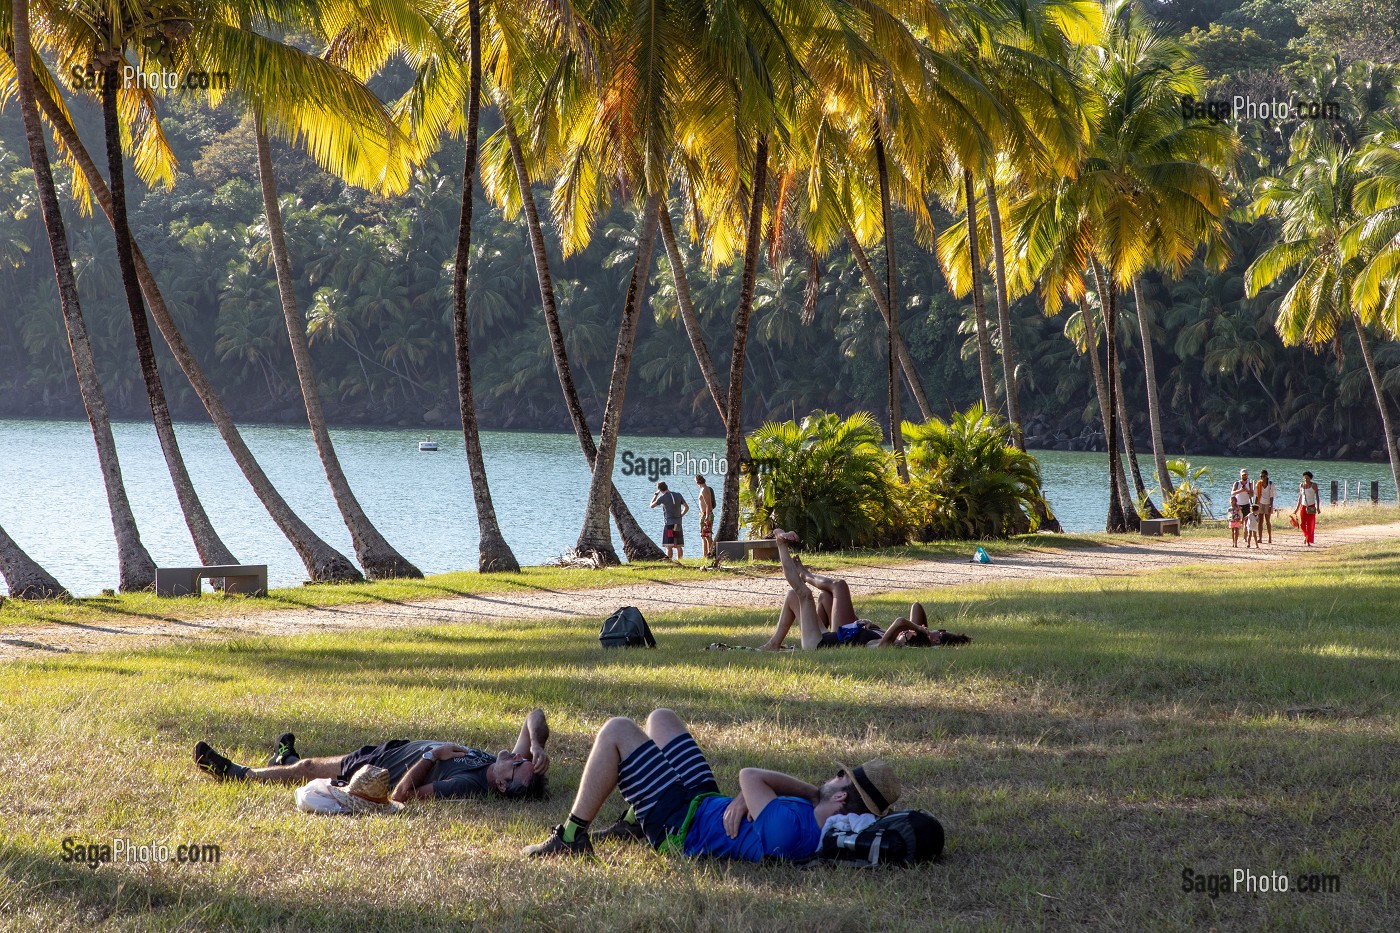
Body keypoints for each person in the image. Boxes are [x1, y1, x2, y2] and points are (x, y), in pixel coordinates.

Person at [521, 707, 900, 861]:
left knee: (618, 730)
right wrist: (744, 800)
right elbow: (754, 790)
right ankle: (635, 821)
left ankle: (571, 838)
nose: (831, 776)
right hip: (704, 802)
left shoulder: (793, 826)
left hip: (679, 824)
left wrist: (798, 792)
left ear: (842, 796)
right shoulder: (811, 821)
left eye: (839, 778)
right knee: (661, 718)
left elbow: (751, 776)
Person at [193, 709, 551, 803]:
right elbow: (535, 716)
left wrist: (431, 754)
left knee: (309, 768)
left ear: (503, 786)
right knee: (304, 766)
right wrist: (536, 746)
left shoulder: (469, 785)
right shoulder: (500, 765)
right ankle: (283, 759)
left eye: (518, 765)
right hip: (395, 749)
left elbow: (402, 796)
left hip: (380, 769)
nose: (518, 759)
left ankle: (239, 775)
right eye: (522, 759)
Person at [761, 529, 969, 650]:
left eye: (938, 631)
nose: (935, 629)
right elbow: (913, 611)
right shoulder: (890, 635)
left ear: (936, 639)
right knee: (792, 597)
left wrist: (919, 629)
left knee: (803, 593)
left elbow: (899, 622)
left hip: (818, 643)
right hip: (826, 634)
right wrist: (867, 625)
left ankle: (781, 544)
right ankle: (773, 644)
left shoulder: (892, 646)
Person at [650, 481, 690, 561]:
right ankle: (680, 561)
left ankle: (670, 561)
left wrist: (655, 495)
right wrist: (681, 514)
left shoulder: (663, 497)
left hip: (669, 524)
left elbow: (651, 505)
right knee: (678, 545)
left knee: (669, 545)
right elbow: (687, 507)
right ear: (667, 486)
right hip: (678, 523)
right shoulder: (678, 495)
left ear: (659, 489)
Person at [1296, 471, 1321, 546]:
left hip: (1311, 506)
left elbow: (1317, 496)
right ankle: (1306, 536)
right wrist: (1296, 508)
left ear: (1310, 478)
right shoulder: (1301, 485)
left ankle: (1308, 540)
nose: (1306, 479)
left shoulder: (1314, 485)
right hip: (1303, 506)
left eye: (1307, 478)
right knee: (1302, 524)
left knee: (1310, 524)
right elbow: (1300, 497)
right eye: (1305, 478)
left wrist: (1318, 507)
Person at [1229, 470, 1253, 548]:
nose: (1244, 476)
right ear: (1240, 475)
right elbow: (1232, 493)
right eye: (1243, 475)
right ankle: (1235, 539)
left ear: (1247, 475)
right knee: (1238, 523)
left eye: (1246, 475)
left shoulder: (1250, 483)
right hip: (1238, 505)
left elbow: (1252, 495)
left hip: (1246, 504)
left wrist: (1247, 491)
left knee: (1246, 522)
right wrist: (1240, 491)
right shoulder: (1237, 483)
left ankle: (1245, 538)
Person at [695, 474, 716, 558]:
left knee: (708, 536)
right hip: (703, 514)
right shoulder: (702, 489)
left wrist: (707, 516)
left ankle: (710, 554)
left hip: (706, 515)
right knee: (703, 536)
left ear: (697, 481)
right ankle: (705, 555)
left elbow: (708, 505)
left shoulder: (704, 489)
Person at [1254, 470, 1277, 544]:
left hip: (1268, 503)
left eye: (1263, 476)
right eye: (1261, 476)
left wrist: (1270, 505)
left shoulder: (1271, 484)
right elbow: (1257, 496)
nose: (1262, 478)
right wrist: (1255, 506)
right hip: (1260, 503)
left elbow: (1272, 496)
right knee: (1260, 521)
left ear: (1267, 476)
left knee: (1268, 521)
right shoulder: (1259, 484)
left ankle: (1270, 537)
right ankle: (1260, 538)